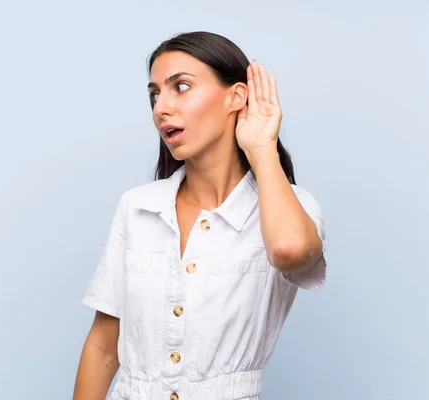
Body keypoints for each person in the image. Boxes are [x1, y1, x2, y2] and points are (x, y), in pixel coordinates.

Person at [72, 31, 327, 400]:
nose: (161, 107)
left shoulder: (292, 207)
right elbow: (103, 345)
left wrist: (261, 147)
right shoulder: (138, 207)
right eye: (154, 94)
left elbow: (289, 250)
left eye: (181, 86)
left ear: (236, 96)